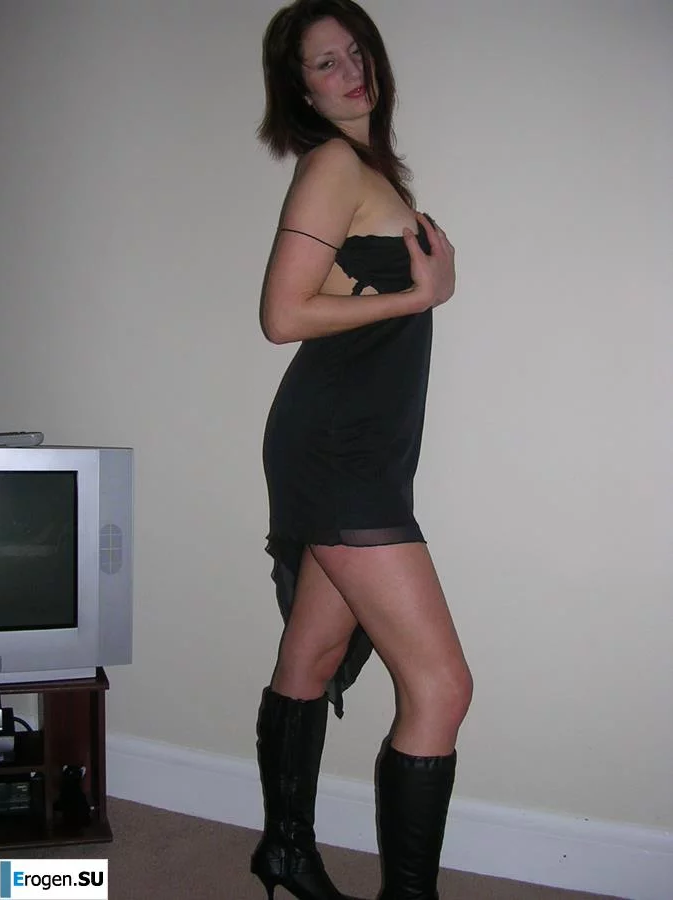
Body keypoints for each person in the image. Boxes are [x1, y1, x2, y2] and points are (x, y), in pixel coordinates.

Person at [252, 2, 473, 898]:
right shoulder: (332, 164)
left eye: (356, 52)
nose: (350, 71)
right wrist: (422, 295)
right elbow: (282, 317)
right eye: (324, 63)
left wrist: (405, 293)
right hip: (338, 449)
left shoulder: (367, 171)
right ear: (299, 90)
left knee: (309, 658)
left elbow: (333, 300)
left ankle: (284, 851)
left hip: (353, 444)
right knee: (441, 687)